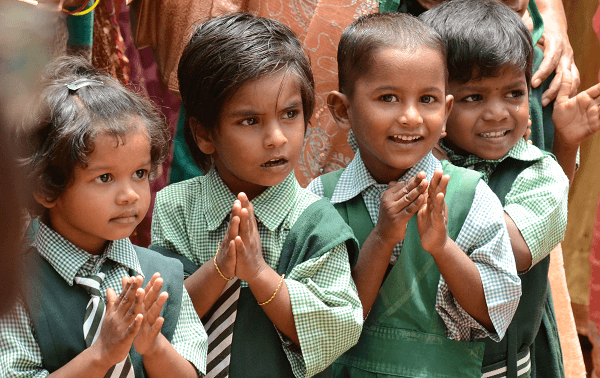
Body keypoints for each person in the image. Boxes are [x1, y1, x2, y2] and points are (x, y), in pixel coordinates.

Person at [306, 12, 521, 377]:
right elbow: (322, 325)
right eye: (388, 98)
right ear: (343, 109)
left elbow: (495, 312)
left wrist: (442, 247)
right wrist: (382, 238)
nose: (410, 117)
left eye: (427, 99)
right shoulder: (321, 200)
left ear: (446, 110)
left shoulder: (470, 196)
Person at [149, 13, 363, 378]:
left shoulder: (317, 221)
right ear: (204, 134)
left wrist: (258, 273)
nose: (277, 138)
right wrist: (220, 269)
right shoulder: (177, 207)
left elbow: (336, 330)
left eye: (290, 114)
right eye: (250, 121)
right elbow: (165, 317)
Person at [420, 1, 600, 376]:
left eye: (515, 94)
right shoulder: (418, 162)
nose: (498, 113)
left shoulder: (540, 175)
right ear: (435, 101)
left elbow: (508, 252)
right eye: (474, 97)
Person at [0, 56, 207, 378]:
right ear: (45, 187)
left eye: (139, 173)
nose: (131, 195)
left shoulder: (164, 276)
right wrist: (101, 355)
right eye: (105, 178)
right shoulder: (14, 285)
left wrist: (154, 347)